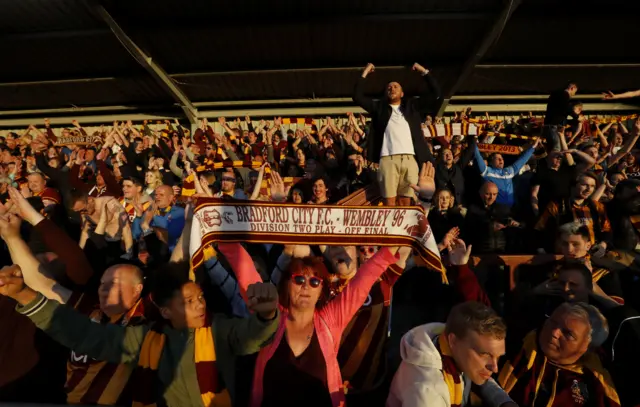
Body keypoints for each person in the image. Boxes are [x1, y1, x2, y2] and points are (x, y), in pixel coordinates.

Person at [0, 262, 280, 407]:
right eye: (188, 301)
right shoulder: (145, 339)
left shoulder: (220, 329)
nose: (200, 305)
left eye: (201, 297)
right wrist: (23, 294)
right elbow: (84, 335)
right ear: (166, 311)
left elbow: (251, 337)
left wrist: (267, 315)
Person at [217, 241, 400, 407]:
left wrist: (396, 242)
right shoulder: (270, 313)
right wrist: (222, 236)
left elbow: (364, 278)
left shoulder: (331, 319)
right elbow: (245, 271)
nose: (306, 287)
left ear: (321, 291)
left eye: (314, 281)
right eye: (299, 279)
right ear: (288, 284)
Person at [387, 301, 514, 407]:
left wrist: (504, 402)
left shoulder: (446, 343)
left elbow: (480, 378)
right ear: (453, 341)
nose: (495, 368)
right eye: (485, 354)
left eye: (497, 357)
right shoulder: (427, 393)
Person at [498, 302, 620, 407]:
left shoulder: (596, 383)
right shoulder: (512, 345)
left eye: (568, 333)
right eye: (552, 322)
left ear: (588, 347)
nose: (554, 333)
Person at [353, 62, 438, 206]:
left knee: (406, 202)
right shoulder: (379, 108)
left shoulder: (412, 107)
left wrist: (423, 71)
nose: (392, 89)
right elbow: (357, 96)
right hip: (388, 159)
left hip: (410, 159)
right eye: (389, 88)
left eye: (395, 86)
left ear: (402, 93)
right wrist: (365, 72)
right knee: (389, 204)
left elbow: (436, 93)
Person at [535, 172, 612, 256]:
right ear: (573, 185)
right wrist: (542, 251)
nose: (589, 189)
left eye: (592, 186)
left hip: (592, 255)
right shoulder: (556, 205)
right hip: (565, 255)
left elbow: (606, 229)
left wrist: (603, 244)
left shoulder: (597, 206)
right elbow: (539, 229)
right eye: (584, 185)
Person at [473, 138, 540, 207]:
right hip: (495, 209)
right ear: (491, 162)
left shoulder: (508, 171)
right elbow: (478, 156)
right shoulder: (486, 171)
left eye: (502, 158)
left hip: (510, 209)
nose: (501, 160)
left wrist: (533, 147)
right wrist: (473, 140)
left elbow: (522, 160)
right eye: (497, 158)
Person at [464, 182, 519, 254]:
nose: (491, 197)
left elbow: (514, 231)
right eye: (488, 194)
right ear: (480, 193)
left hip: (501, 252)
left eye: (494, 194)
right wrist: (491, 226)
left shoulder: (503, 209)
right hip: (480, 252)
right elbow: (469, 231)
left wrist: (514, 224)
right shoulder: (473, 209)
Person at [132, 185, 185, 252]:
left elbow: (170, 234)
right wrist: (138, 216)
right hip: (146, 251)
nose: (157, 197)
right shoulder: (151, 211)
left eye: (161, 195)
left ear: (171, 197)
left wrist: (153, 218)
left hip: (168, 253)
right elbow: (135, 234)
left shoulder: (179, 212)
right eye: (156, 195)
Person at [434, 135, 477, 205]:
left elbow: (470, 150)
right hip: (441, 205)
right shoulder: (436, 169)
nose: (448, 155)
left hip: (458, 206)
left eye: (450, 153)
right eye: (445, 154)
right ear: (441, 157)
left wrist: (472, 134)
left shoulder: (459, 166)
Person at [544, 82, 580, 151]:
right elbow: (567, 108)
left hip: (550, 125)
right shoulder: (564, 95)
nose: (574, 94)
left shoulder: (555, 95)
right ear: (572, 88)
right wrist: (577, 117)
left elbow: (560, 112)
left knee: (553, 148)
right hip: (554, 126)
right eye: (574, 92)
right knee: (556, 148)